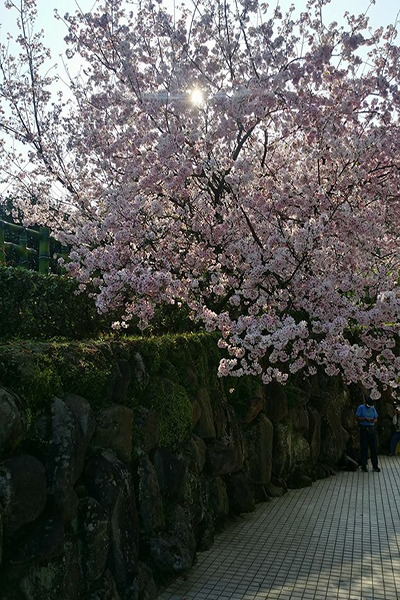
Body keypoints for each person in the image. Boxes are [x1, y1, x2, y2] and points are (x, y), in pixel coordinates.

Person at [355, 398, 380, 472]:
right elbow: (357, 417)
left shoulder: (373, 408)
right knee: (364, 447)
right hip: (363, 428)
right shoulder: (361, 407)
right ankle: (364, 465)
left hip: (371, 428)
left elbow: (376, 418)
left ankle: (375, 465)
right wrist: (364, 419)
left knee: (373, 448)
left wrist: (373, 420)